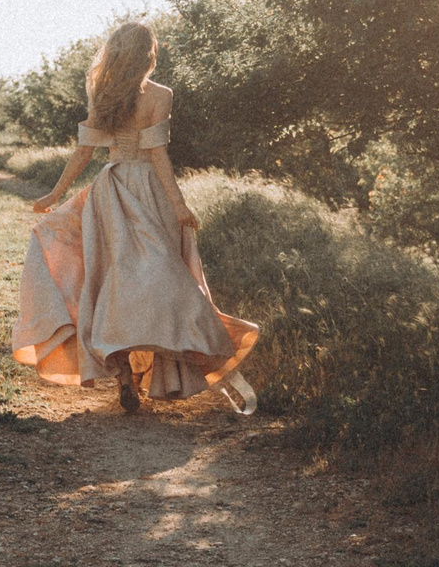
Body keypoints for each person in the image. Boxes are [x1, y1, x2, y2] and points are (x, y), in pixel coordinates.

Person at [13, 20, 258, 412]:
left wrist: (55, 194)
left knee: (113, 280)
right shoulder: (160, 95)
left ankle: (126, 375)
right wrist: (178, 205)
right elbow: (158, 154)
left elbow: (84, 153)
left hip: (110, 189)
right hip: (148, 190)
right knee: (161, 279)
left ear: (115, 53)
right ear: (148, 53)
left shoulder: (105, 95)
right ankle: (164, 368)